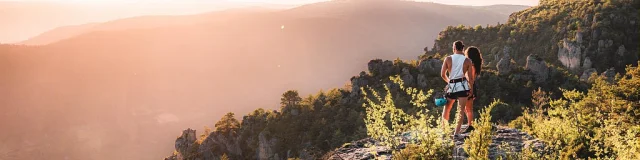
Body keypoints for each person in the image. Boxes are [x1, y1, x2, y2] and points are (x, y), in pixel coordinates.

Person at [440, 40, 474, 136]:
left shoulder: (448, 59)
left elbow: (442, 74)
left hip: (452, 86)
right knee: (461, 110)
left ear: (454, 48)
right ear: (463, 48)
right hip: (463, 86)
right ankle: (456, 133)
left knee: (447, 108)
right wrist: (471, 89)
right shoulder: (467, 61)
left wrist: (449, 81)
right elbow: (470, 78)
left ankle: (444, 130)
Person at [462, 46, 483, 133]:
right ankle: (470, 124)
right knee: (466, 107)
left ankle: (471, 125)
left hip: (468, 86)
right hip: (469, 86)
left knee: (468, 108)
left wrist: (470, 91)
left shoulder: (472, 65)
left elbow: (470, 79)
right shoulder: (474, 65)